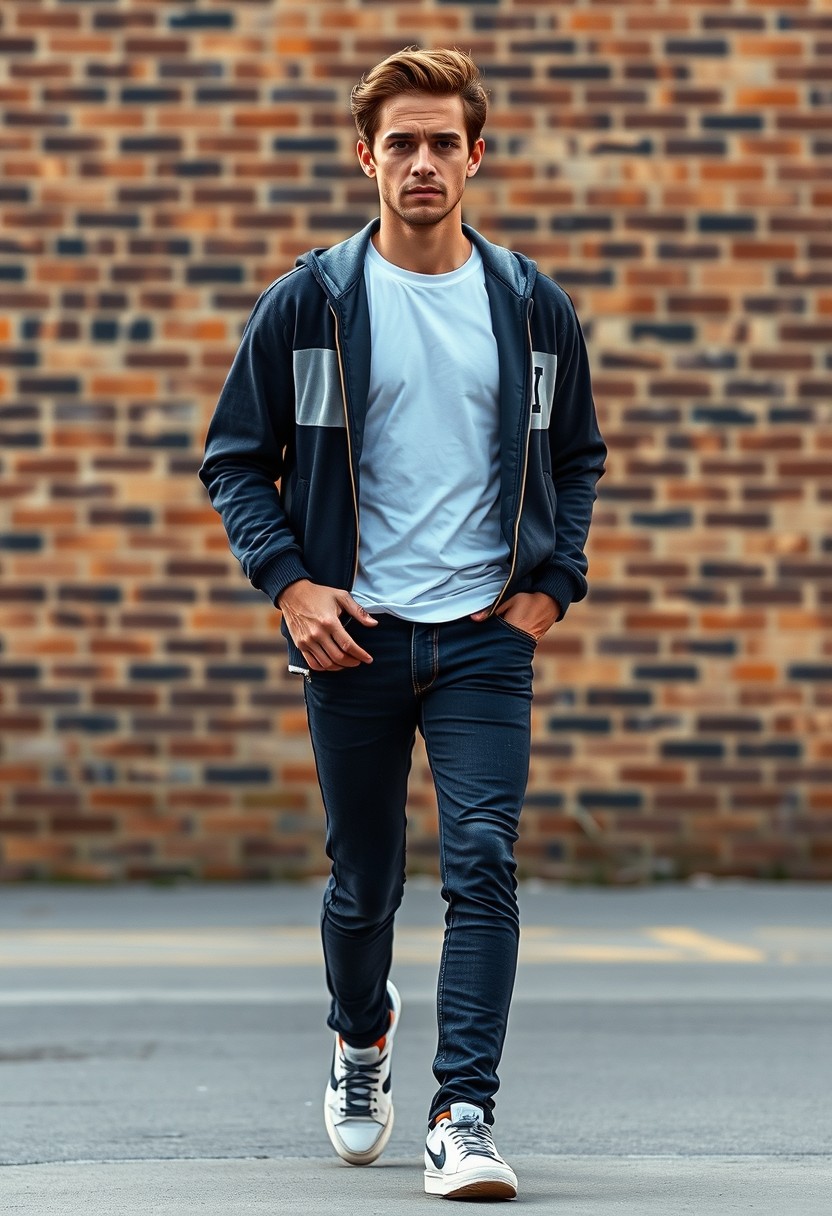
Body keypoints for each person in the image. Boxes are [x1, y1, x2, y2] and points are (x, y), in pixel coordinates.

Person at [199, 46, 606, 1201]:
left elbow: (575, 455)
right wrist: (291, 584)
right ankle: (359, 1035)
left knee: (482, 859)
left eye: (443, 142)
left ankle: (462, 1112)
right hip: (355, 636)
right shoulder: (310, 300)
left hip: (484, 636)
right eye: (401, 143)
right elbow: (235, 459)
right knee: (363, 878)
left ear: (476, 156)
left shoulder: (529, 305)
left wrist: (550, 583)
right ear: (365, 156)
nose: (421, 162)